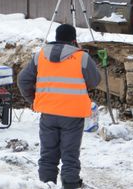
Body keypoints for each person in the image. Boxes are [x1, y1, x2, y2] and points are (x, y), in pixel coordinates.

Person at [18, 24, 101, 189]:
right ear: (74, 40)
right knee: (69, 155)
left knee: (48, 154)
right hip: (72, 114)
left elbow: (22, 80)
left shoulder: (40, 56)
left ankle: (46, 185)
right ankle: (70, 185)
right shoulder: (82, 57)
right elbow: (94, 81)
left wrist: (33, 100)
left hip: (48, 113)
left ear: (56, 38)